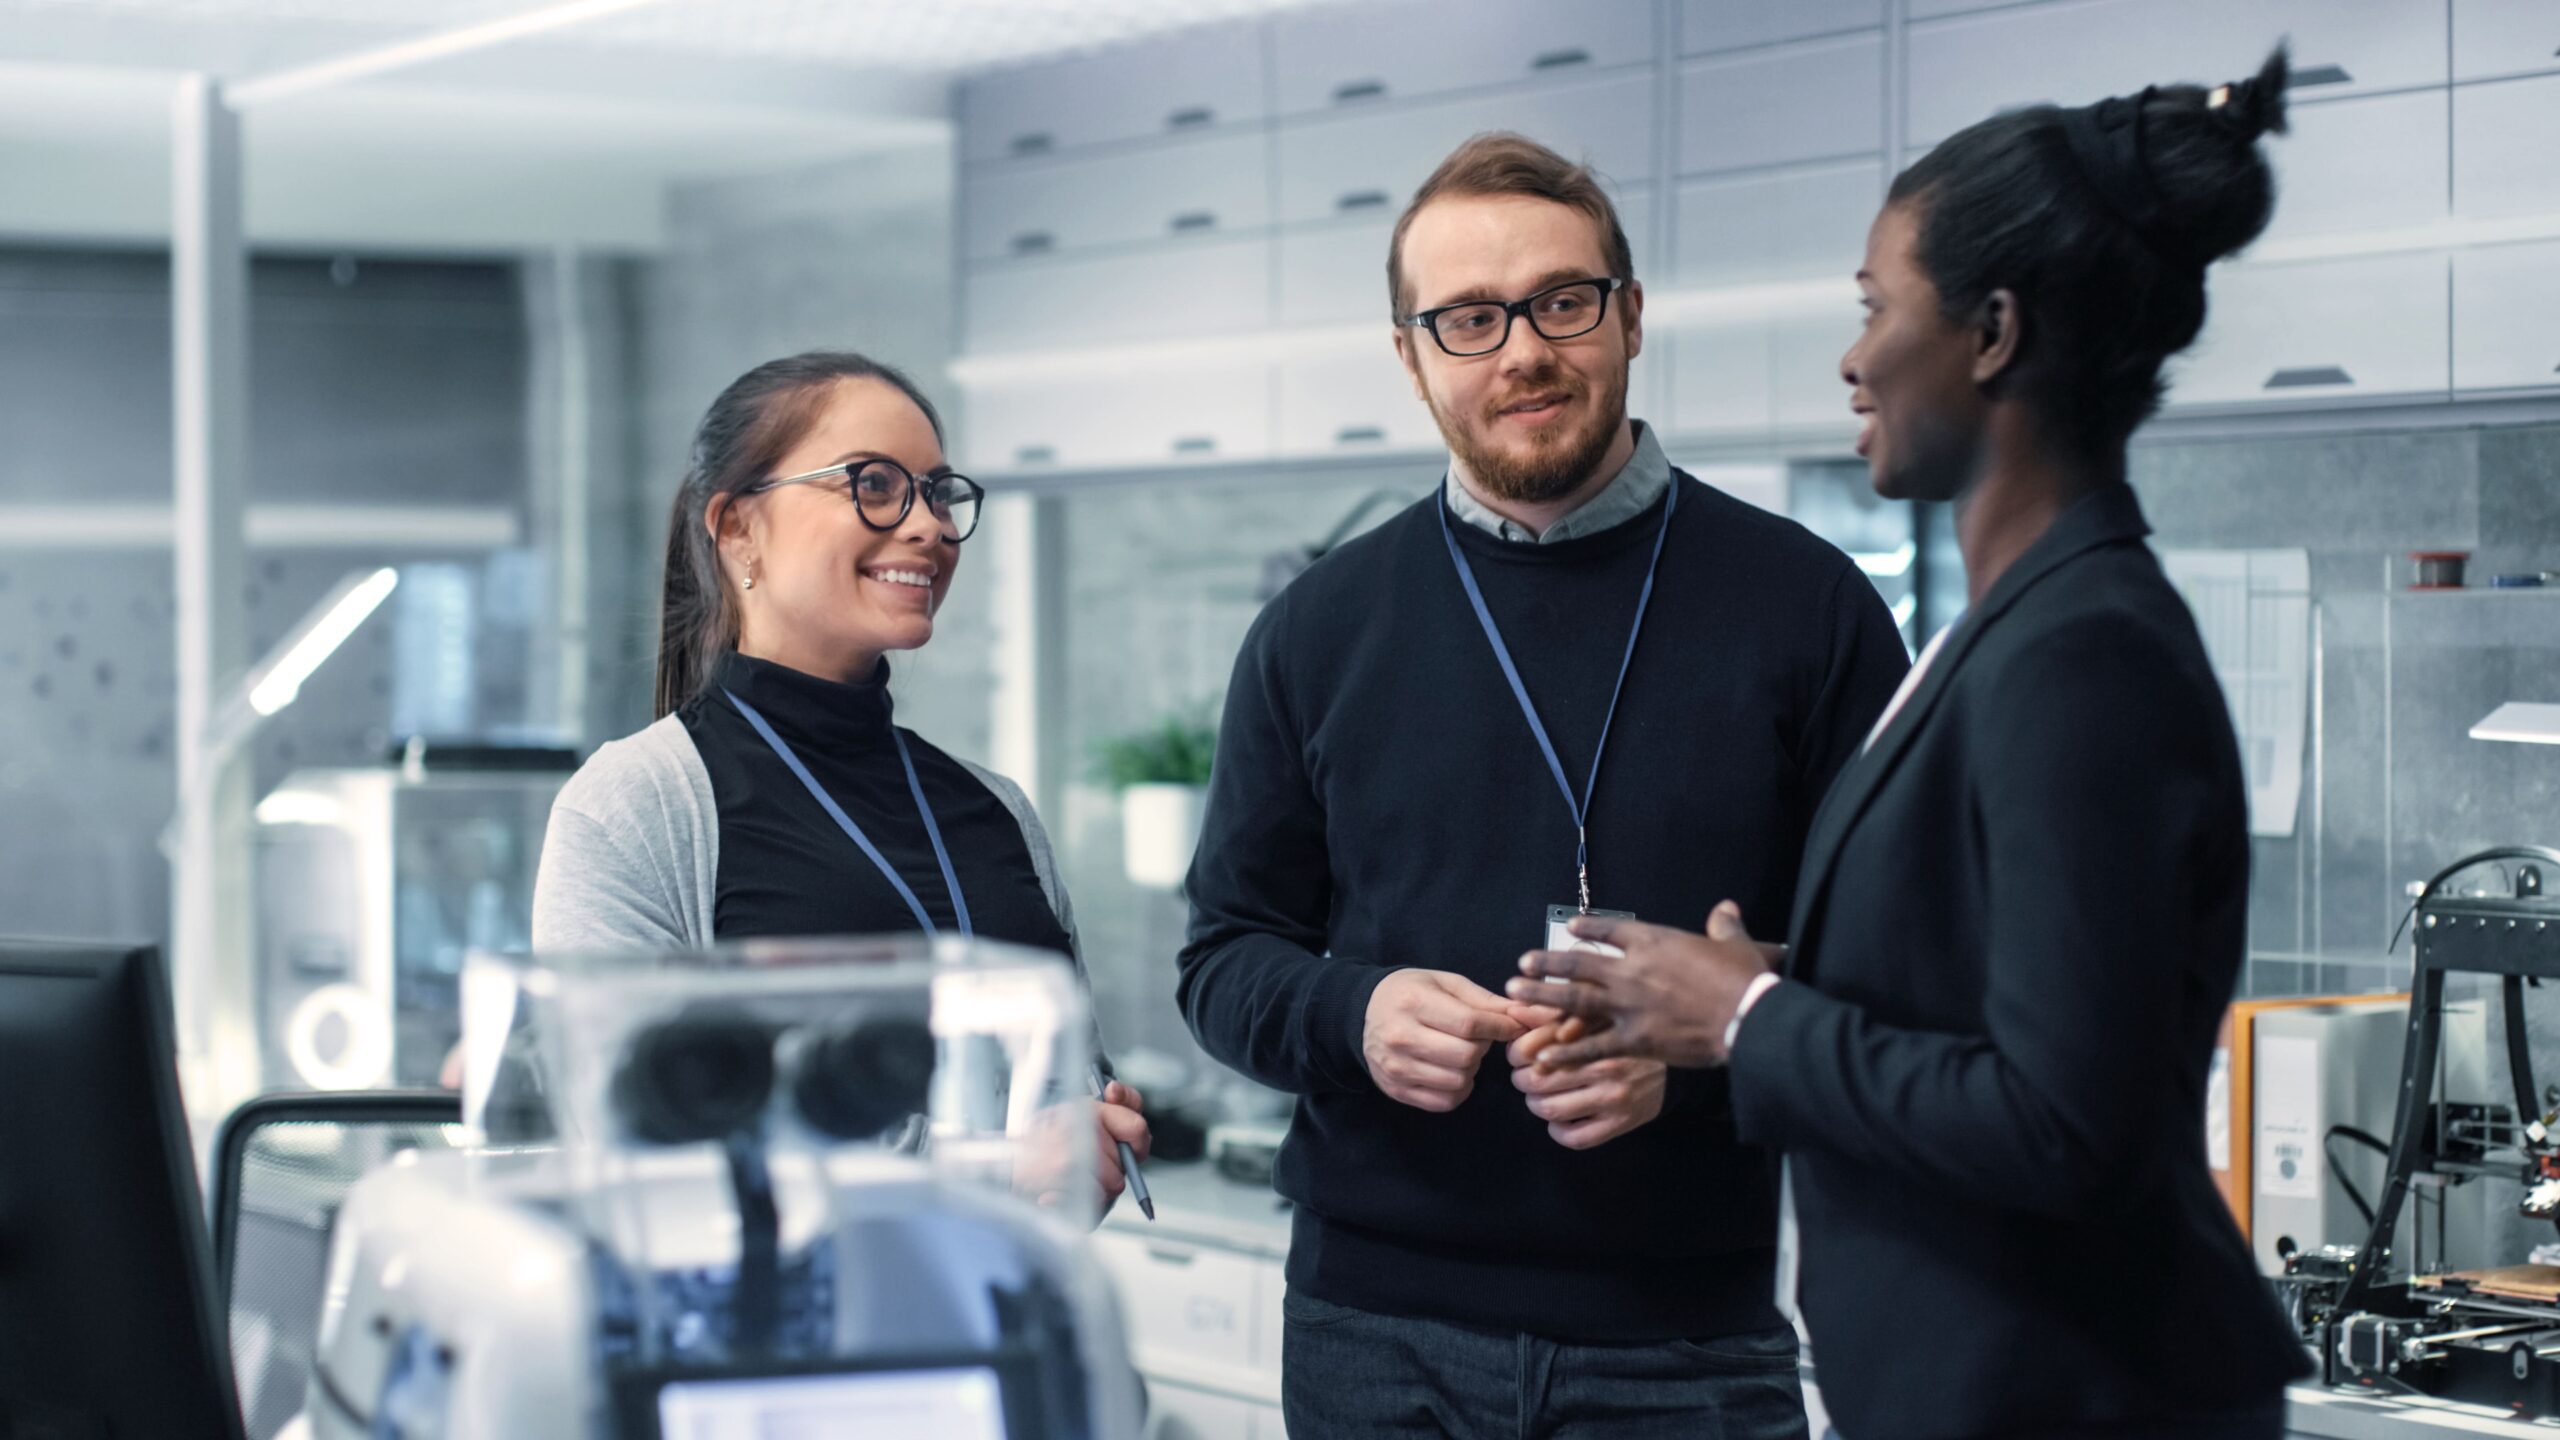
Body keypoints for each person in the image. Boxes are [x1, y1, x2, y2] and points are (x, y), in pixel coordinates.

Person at [1510, 53, 2316, 1440]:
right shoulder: (2010, 627)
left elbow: (2065, 1123)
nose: (1852, 354)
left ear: (1993, 332)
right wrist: (1771, 979)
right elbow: (1995, 1007)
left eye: (1879, 308)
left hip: (2074, 1396)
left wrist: (1747, 1019)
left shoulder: (2084, 653)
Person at [1179, 133, 1909, 1438]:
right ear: (1410, 356)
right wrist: (1354, 1011)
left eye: (1561, 302)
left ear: (1630, 318)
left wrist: (1708, 1054)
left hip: (1687, 1345)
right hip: (1371, 1340)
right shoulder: (1315, 631)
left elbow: (1911, 980)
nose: (1520, 351)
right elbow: (1223, 959)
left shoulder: (1812, 611)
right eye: (1467, 318)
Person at [528, 350, 1149, 1213]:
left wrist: (1090, 1137)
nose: (927, 525)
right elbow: (637, 1137)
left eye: (937, 492)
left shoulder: (996, 811)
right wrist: (988, 1167)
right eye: (875, 485)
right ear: (738, 528)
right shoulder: (636, 806)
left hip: (1000, 1323)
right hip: (777, 1340)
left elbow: (1067, 1089)